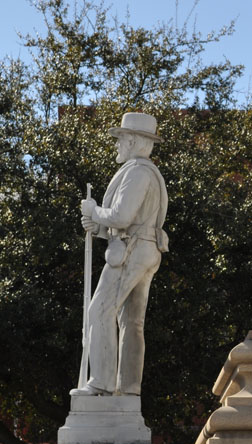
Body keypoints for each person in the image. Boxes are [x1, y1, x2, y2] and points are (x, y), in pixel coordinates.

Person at [70, 112, 169, 396]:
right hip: (144, 249)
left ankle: (100, 383)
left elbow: (122, 217)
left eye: (122, 139)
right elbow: (132, 222)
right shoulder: (147, 172)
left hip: (132, 253)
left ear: (135, 142)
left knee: (99, 311)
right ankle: (128, 388)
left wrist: (94, 211)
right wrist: (99, 226)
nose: (118, 145)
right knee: (131, 322)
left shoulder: (138, 172)